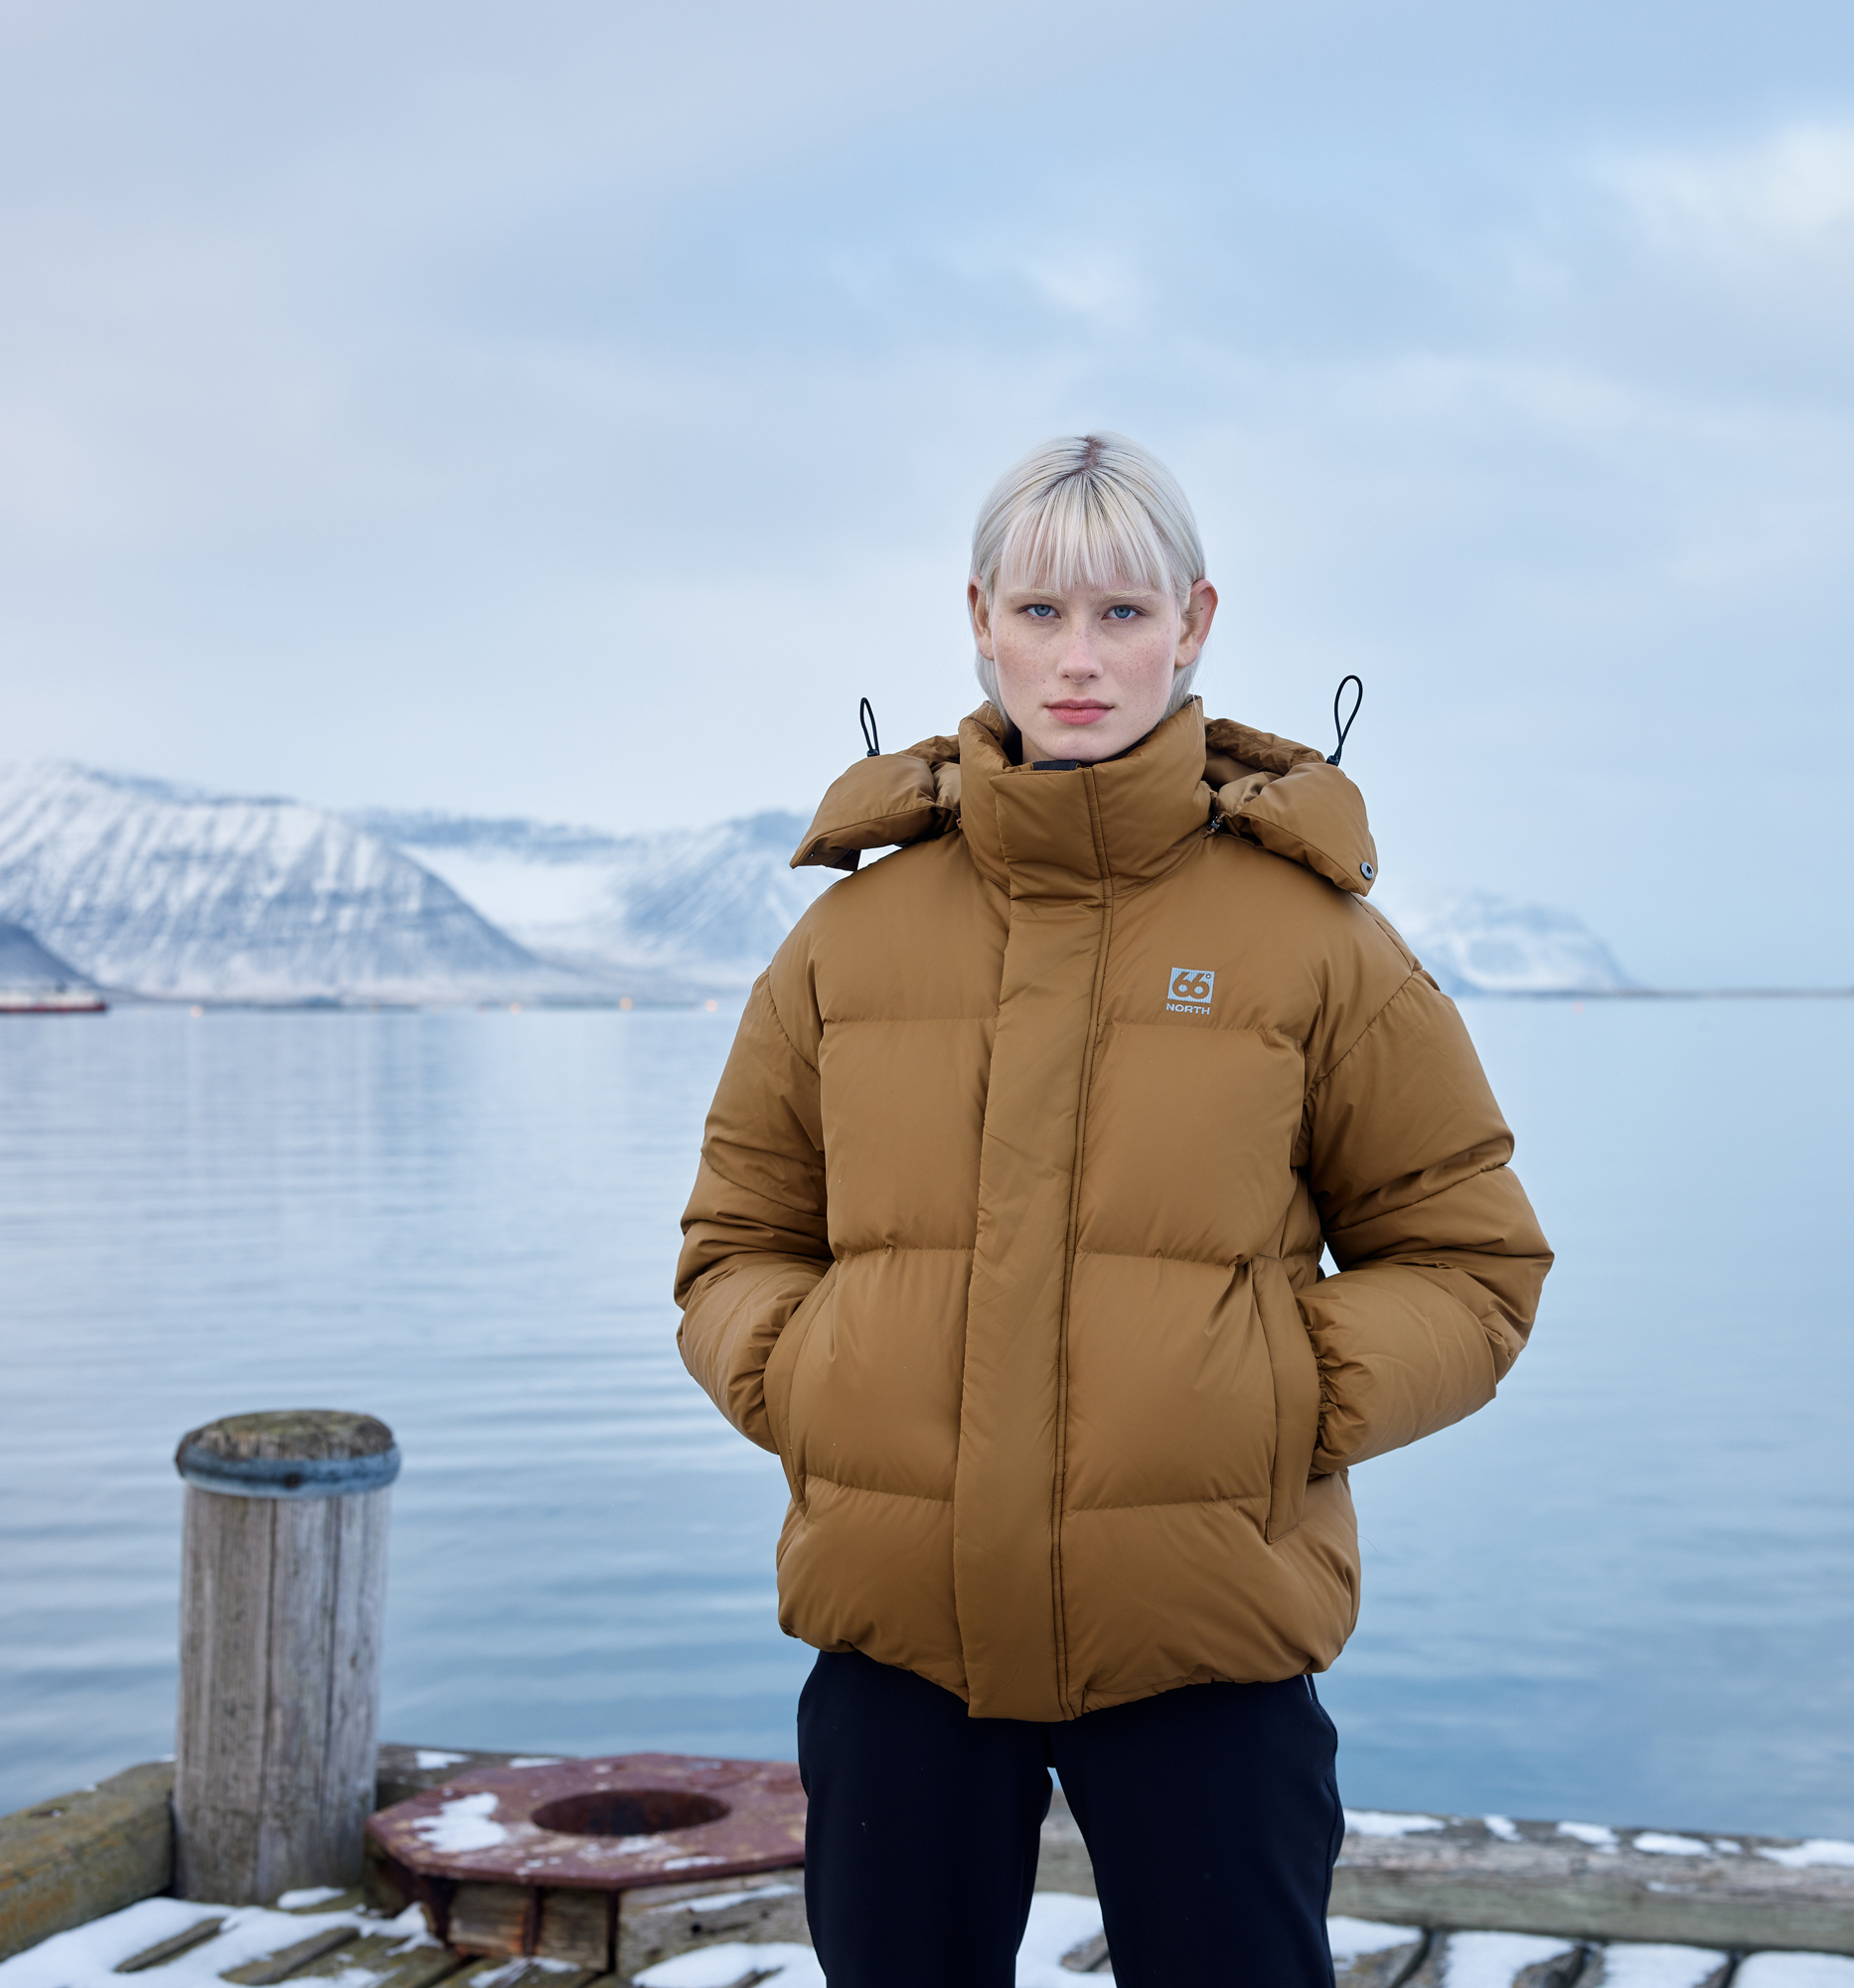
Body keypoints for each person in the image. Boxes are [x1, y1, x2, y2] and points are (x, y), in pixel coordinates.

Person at [674, 432, 1552, 1988]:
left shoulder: (1314, 942)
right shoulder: (846, 944)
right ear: (981, 621)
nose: (1078, 659)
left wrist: (1276, 1394)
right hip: (897, 1642)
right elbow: (736, 1244)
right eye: (1041, 613)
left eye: (1123, 614)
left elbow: (1470, 1260)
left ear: (1194, 624)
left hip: (1205, 1636)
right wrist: (816, 1375)